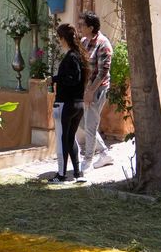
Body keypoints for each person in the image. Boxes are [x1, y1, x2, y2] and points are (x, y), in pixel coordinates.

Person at [50, 24, 88, 184]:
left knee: (62, 139)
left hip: (67, 104)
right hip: (78, 104)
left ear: (63, 38)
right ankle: (78, 174)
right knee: (71, 138)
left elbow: (73, 79)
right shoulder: (79, 56)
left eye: (59, 38)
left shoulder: (71, 57)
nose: (59, 41)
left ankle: (61, 175)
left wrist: (55, 79)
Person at [78, 11, 116, 173]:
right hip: (85, 88)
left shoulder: (103, 44)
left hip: (97, 89)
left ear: (91, 27)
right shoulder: (83, 41)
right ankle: (105, 154)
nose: (79, 27)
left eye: (82, 25)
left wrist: (90, 91)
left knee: (91, 125)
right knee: (82, 121)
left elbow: (102, 72)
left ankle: (87, 161)